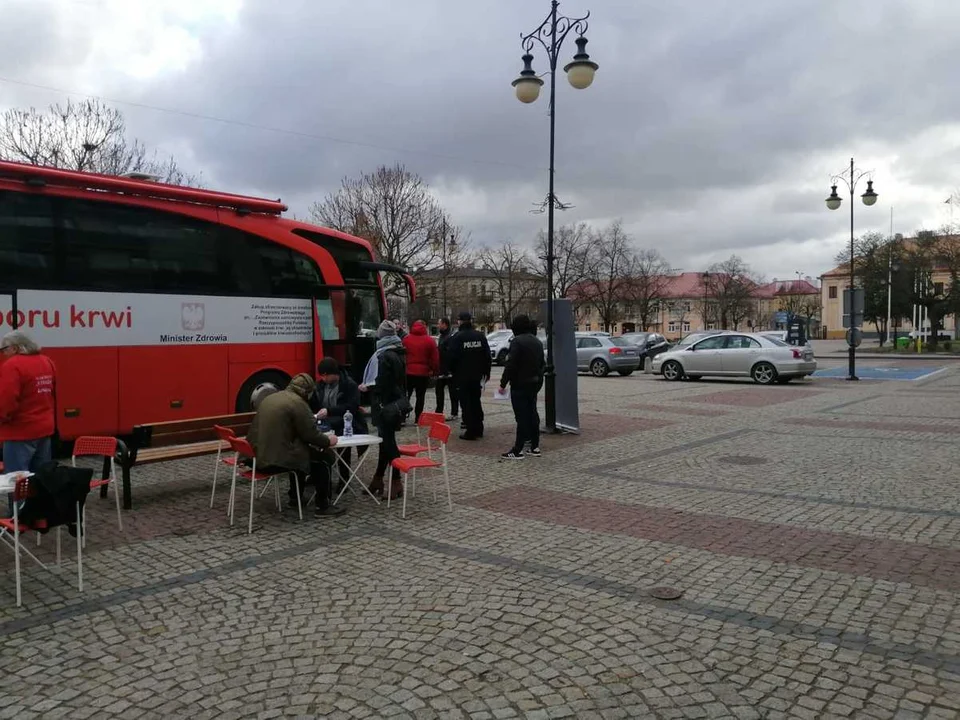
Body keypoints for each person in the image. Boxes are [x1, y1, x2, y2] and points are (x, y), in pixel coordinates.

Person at [247, 373, 344, 518]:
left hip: (256, 456)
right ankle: (323, 506)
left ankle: (295, 498)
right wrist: (328, 441)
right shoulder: (298, 404)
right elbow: (310, 434)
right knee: (324, 458)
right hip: (273, 460)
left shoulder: (272, 397)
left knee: (300, 453)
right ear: (307, 391)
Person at [0, 331, 57, 513]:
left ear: (15, 348)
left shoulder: (13, 366)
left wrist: (2, 419)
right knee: (39, 477)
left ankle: (19, 517)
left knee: (17, 480)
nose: (3, 353)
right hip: (44, 429)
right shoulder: (46, 362)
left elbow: (6, 400)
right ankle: (38, 514)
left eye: (4, 349)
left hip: (20, 432)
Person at [360, 321, 407, 499]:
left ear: (381, 335)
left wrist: (368, 387)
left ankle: (396, 481)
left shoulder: (384, 355)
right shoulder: (396, 351)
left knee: (389, 445)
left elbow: (383, 383)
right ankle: (378, 479)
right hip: (392, 405)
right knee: (384, 444)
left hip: (384, 406)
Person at [310, 357, 368, 490]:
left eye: (325, 375)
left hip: (344, 423)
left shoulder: (349, 385)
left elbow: (352, 406)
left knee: (343, 450)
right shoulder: (320, 385)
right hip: (324, 423)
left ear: (332, 373)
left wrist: (330, 411)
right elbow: (315, 402)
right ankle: (317, 476)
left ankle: (344, 478)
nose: (323, 379)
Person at [499, 315, 545, 460]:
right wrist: (538, 381)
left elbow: (511, 365)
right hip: (534, 383)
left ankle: (517, 450)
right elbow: (541, 364)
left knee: (521, 416)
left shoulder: (517, 342)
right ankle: (535, 446)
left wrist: (503, 383)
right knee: (532, 413)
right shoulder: (537, 341)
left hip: (520, 384)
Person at [447, 311, 491, 440]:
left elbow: (451, 358)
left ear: (460, 321)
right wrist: (486, 372)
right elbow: (487, 356)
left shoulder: (457, 337)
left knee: (466, 403)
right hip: (477, 376)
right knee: (476, 401)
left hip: (462, 376)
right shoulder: (480, 336)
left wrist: (452, 372)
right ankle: (479, 428)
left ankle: (471, 430)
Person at [402, 320, 439, 423]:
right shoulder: (430, 340)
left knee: (406, 395)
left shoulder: (406, 339)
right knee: (420, 396)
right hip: (423, 373)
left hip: (408, 372)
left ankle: (403, 417)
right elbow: (435, 359)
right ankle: (418, 418)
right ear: (425, 327)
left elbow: (402, 355)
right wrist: (434, 371)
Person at [434, 317, 459, 421]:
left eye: (439, 323)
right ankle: (439, 411)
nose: (438, 325)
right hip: (441, 369)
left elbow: (449, 355)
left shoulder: (449, 337)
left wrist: (449, 369)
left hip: (448, 370)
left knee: (453, 392)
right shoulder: (442, 336)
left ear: (445, 325)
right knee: (439, 392)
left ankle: (454, 412)